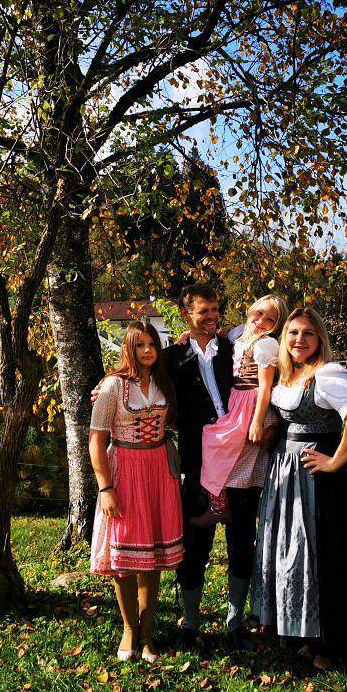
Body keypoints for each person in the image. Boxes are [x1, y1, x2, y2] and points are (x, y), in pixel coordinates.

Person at [251, 307, 347, 670]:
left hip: (316, 480)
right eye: (292, 333)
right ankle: (304, 635)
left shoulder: (328, 374)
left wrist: (335, 461)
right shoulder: (290, 375)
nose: (299, 340)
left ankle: (331, 642)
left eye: (307, 334)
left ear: (320, 339)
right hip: (284, 475)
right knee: (294, 552)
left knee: (321, 553)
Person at [162, 284, 266, 653]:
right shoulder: (171, 358)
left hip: (242, 457)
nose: (212, 316)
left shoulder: (234, 347)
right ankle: (190, 622)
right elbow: (140, 375)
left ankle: (235, 622)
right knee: (195, 544)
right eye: (203, 311)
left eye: (216, 309)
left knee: (241, 541)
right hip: (197, 461)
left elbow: (269, 343)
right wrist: (107, 386)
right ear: (186, 314)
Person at [89, 321, 183, 663]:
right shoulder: (113, 386)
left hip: (159, 470)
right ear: (128, 349)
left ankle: (147, 634)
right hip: (125, 470)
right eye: (140, 345)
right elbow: (96, 440)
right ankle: (129, 628)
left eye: (152, 344)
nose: (147, 351)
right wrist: (105, 487)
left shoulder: (163, 382)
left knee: (152, 556)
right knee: (125, 559)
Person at [192, 294, 287, 527]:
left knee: (222, 446)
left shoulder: (266, 344)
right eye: (259, 312)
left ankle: (227, 506)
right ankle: (220, 504)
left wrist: (257, 422)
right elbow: (224, 332)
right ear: (251, 310)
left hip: (252, 403)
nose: (261, 320)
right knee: (214, 442)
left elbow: (265, 387)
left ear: (277, 326)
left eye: (270, 319)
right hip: (238, 401)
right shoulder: (241, 333)